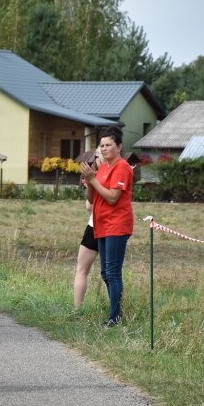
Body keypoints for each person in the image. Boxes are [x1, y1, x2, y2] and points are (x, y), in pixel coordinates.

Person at [80, 126, 133, 328]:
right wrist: (89, 182)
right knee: (105, 272)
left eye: (108, 145)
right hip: (101, 224)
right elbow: (92, 199)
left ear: (118, 146)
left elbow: (112, 197)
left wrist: (93, 180)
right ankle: (114, 313)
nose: (104, 149)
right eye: (101, 145)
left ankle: (115, 318)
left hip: (117, 225)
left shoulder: (122, 167)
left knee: (112, 271)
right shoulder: (102, 168)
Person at [73, 150, 102, 309]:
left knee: (109, 274)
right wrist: (90, 186)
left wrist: (92, 184)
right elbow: (89, 207)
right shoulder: (97, 174)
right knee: (83, 269)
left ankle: (78, 310)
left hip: (106, 229)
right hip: (95, 226)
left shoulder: (102, 175)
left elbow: (90, 207)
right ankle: (78, 310)